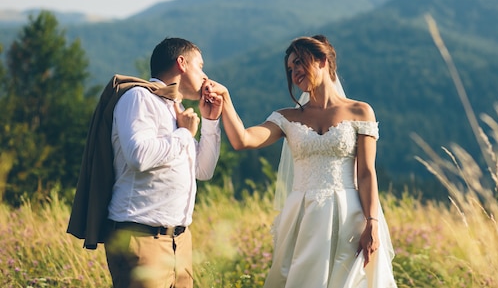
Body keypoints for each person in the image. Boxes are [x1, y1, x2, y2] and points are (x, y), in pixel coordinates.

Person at [207, 35, 397, 288]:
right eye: (290, 68)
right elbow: (243, 140)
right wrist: (226, 101)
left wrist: (372, 222)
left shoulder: (360, 111)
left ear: (322, 60)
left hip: (349, 215)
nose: (295, 72)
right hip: (303, 215)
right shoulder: (287, 117)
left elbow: (366, 173)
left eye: (299, 63)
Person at [68, 37, 223, 288]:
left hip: (180, 241)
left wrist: (211, 122)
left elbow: (203, 170)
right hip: (142, 238)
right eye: (200, 66)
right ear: (181, 63)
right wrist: (184, 133)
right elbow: (139, 157)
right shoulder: (139, 98)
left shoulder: (177, 110)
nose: (205, 77)